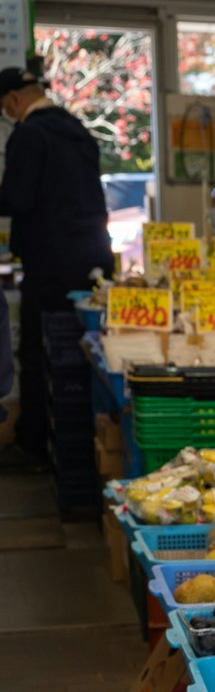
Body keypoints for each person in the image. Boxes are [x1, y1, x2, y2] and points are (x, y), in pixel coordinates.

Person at [0, 67, 113, 464]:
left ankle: (34, 443)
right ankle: (92, 440)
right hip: (95, 258)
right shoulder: (77, 130)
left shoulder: (29, 135)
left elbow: (16, 199)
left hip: (49, 262)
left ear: (14, 100)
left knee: (37, 351)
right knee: (89, 351)